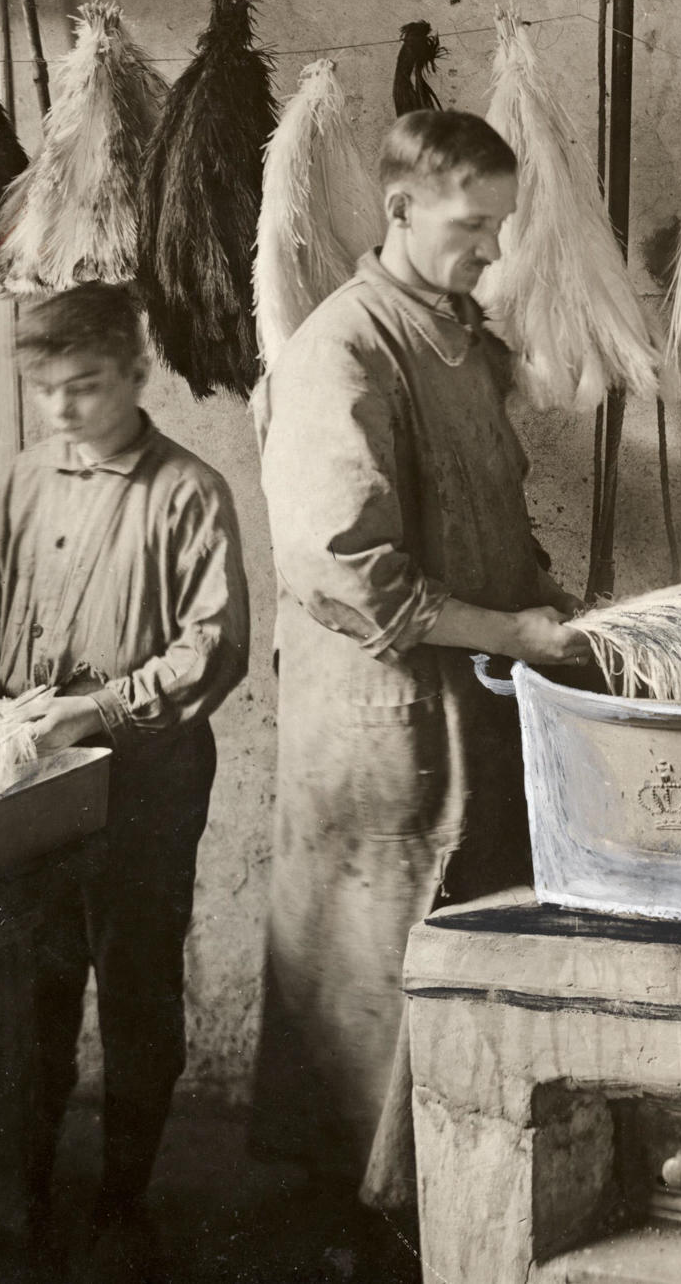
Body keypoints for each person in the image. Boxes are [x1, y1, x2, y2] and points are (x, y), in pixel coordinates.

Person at [249, 110, 588, 1233]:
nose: (491, 250)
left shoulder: (462, 341)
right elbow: (339, 564)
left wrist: (551, 610)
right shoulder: (342, 348)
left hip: (473, 709)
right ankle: (345, 1238)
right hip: (381, 743)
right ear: (399, 210)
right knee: (367, 1002)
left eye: (498, 226)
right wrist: (516, 633)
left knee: (451, 1000)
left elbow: (487, 516)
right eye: (471, 225)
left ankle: (434, 1229)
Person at [0, 282, 249, 1281]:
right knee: (28, 982)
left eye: (86, 385)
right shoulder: (24, 479)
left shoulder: (189, 491)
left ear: (136, 373)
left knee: (136, 981)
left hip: (143, 781)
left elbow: (210, 650)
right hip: (25, 775)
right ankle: (21, 1193)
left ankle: (121, 1201)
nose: (62, 408)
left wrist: (95, 710)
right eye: (45, 388)